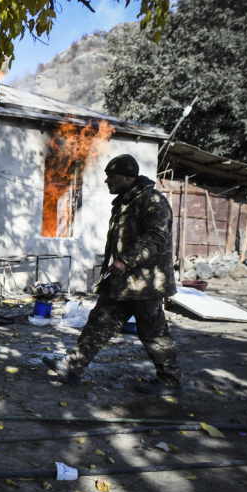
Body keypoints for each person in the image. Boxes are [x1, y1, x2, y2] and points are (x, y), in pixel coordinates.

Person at [43, 154, 183, 395]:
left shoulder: (152, 201)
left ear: (129, 178)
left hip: (145, 284)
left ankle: (170, 381)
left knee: (153, 333)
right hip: (122, 283)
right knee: (98, 324)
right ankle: (72, 368)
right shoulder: (124, 202)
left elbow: (156, 237)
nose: (107, 180)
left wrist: (126, 260)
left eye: (112, 176)